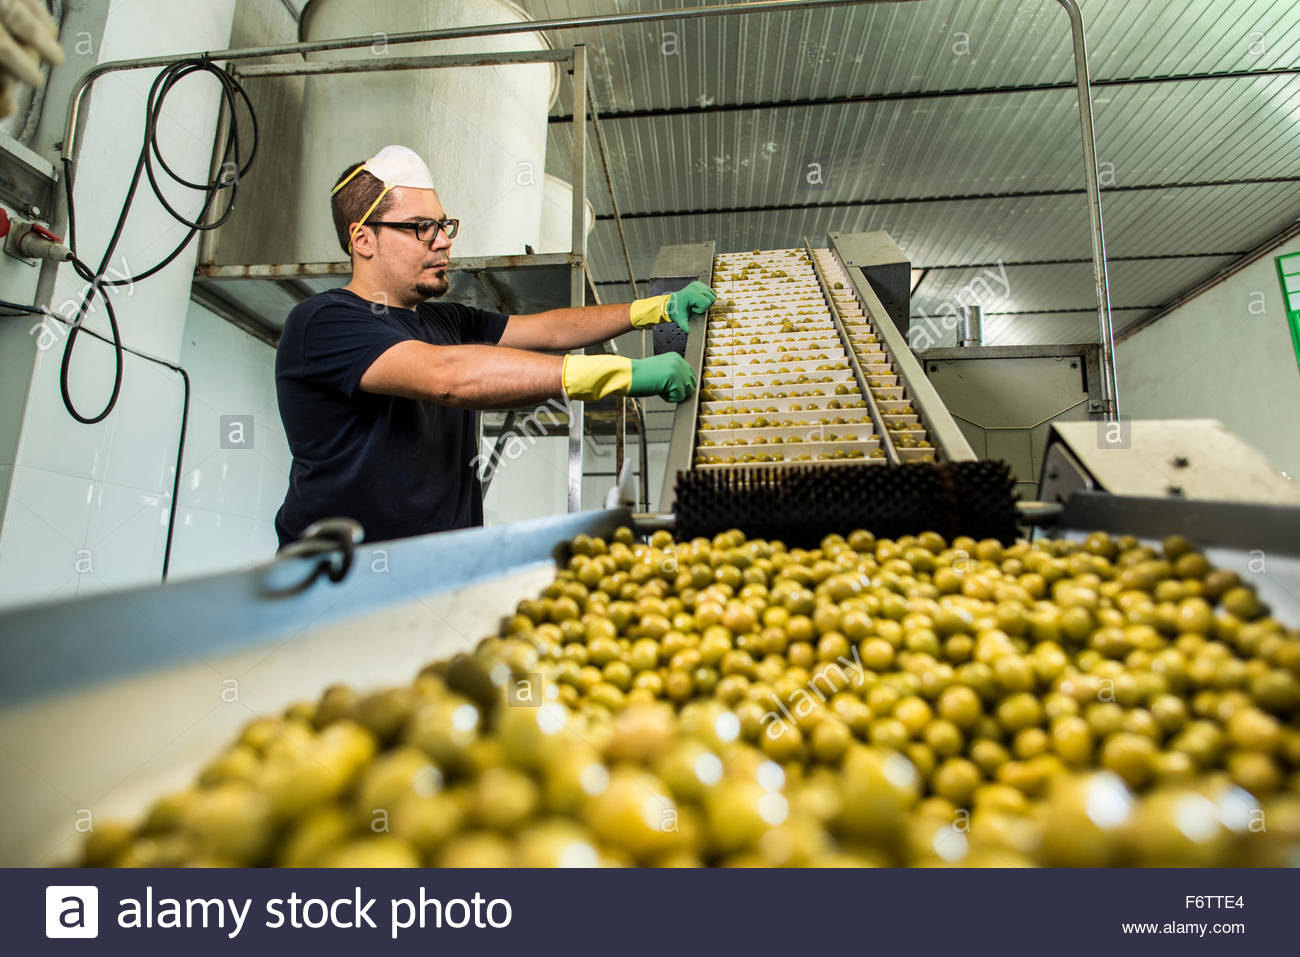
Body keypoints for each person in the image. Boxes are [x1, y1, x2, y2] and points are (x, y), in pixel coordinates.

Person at [274, 145, 711, 547]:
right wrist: (623, 376)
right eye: (421, 227)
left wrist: (651, 309)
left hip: (447, 571)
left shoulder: (446, 319)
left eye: (443, 225)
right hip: (343, 583)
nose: (444, 240)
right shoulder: (322, 322)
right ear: (363, 239)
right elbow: (448, 378)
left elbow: (549, 331)